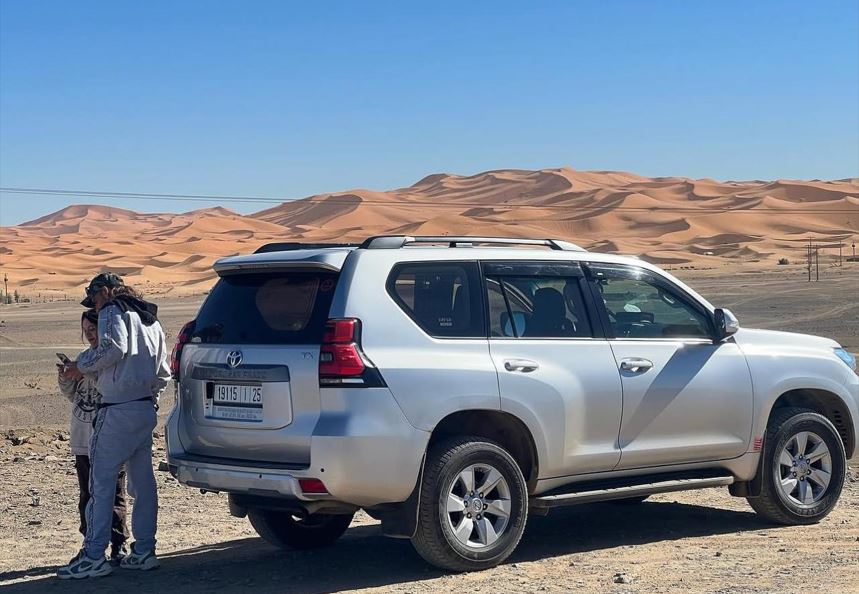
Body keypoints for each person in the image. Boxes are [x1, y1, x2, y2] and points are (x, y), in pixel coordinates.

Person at [57, 273, 171, 580]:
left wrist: (81, 367)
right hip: (144, 408)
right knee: (143, 484)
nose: (95, 307)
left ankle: (94, 555)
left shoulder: (113, 310)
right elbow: (162, 372)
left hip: (117, 409)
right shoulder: (150, 319)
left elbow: (113, 348)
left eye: (94, 299)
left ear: (106, 291)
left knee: (101, 484)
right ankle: (144, 550)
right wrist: (150, 401)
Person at [57, 309, 130, 564]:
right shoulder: (83, 358)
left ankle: (118, 542)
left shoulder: (110, 360)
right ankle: (89, 543)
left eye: (93, 329)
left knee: (114, 494)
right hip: (83, 439)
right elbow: (72, 394)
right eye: (85, 330)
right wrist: (66, 377)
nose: (89, 335)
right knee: (86, 495)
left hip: (108, 439)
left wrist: (83, 371)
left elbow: (110, 387)